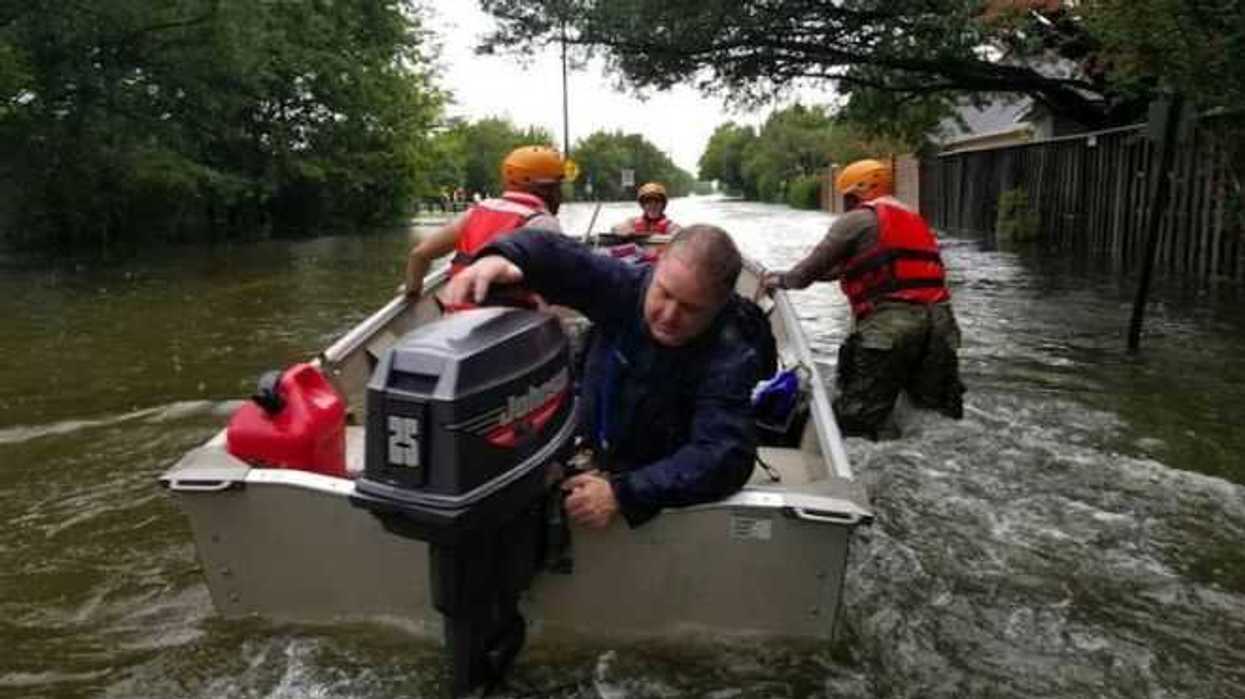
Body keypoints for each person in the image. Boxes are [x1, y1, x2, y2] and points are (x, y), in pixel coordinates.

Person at [445, 225, 763, 529]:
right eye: (664, 294)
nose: (668, 316)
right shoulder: (624, 286)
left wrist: (623, 493)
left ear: (719, 306)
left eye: (690, 309)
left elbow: (724, 454)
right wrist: (505, 255)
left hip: (656, 474)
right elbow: (563, 256)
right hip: (594, 444)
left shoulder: (731, 353)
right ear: (657, 266)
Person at [764, 158, 964, 439]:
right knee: (933, 414)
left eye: (848, 196)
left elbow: (808, 271)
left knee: (857, 420)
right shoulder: (914, 219)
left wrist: (779, 279)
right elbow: (853, 268)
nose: (846, 203)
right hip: (940, 325)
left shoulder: (856, 220)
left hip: (891, 327)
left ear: (860, 190)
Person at [403, 145, 568, 298]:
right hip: (513, 319)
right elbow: (559, 289)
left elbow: (419, 255)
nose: (561, 195)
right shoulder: (544, 224)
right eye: (558, 187)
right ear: (547, 189)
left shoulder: (475, 212)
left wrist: (412, 293)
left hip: (456, 315)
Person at [611, 182, 682, 237]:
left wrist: (677, 235)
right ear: (643, 205)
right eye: (648, 201)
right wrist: (623, 230)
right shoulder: (632, 222)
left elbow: (679, 233)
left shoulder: (670, 225)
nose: (653, 205)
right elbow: (615, 228)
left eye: (657, 201)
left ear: (663, 204)